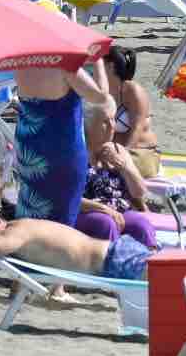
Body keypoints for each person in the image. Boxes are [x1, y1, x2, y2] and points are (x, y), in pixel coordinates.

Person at [12, 59, 115, 228]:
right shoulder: (65, 66)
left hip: (30, 144)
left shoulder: (22, 62)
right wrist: (98, 60)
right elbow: (100, 97)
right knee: (59, 219)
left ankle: (26, 250)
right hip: (59, 147)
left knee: (31, 206)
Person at [103, 46, 161, 178]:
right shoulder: (105, 91)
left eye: (100, 63)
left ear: (110, 66)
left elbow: (137, 128)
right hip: (116, 153)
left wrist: (123, 156)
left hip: (141, 153)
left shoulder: (131, 89)